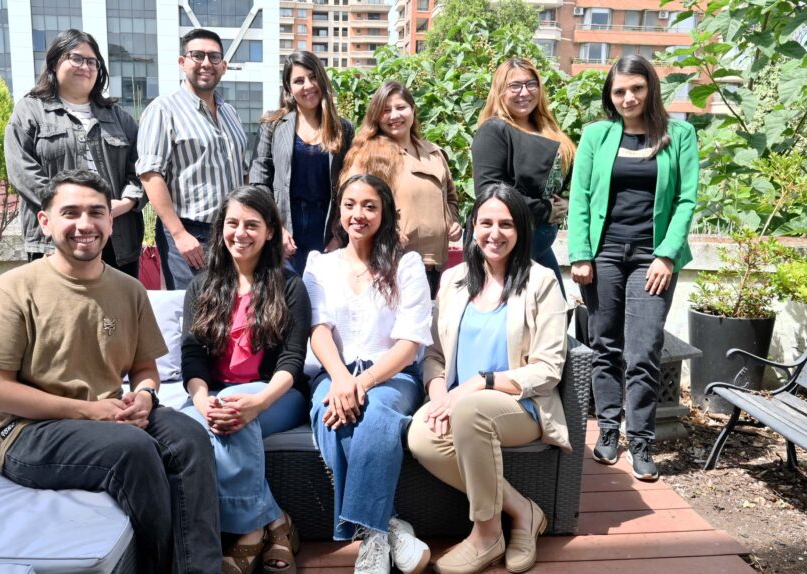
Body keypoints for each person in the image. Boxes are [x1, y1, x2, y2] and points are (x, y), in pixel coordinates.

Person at [0, 169, 221, 574]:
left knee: (189, 436)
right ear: (45, 223)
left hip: (109, 417)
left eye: (96, 212)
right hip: (26, 433)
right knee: (132, 450)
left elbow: (143, 368)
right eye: (71, 213)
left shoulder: (128, 289)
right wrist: (90, 412)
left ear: (111, 222)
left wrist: (146, 396)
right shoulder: (15, 288)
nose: (85, 224)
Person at [407, 184, 570, 574]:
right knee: (420, 436)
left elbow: (548, 369)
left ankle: (486, 532)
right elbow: (433, 354)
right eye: (486, 223)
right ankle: (523, 510)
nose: (494, 233)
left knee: (472, 411)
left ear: (521, 231)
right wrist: (437, 395)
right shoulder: (454, 280)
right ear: (472, 227)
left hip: (521, 406)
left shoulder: (542, 281)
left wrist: (478, 384)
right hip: (460, 402)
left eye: (506, 224)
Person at [567, 55, 698, 481]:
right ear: (611, 93)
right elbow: (581, 197)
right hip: (603, 256)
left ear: (650, 89)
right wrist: (581, 254)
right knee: (606, 346)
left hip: (652, 257)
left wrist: (667, 253)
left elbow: (686, 200)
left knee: (643, 351)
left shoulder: (679, 134)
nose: (628, 97)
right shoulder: (596, 136)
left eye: (636, 89)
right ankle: (607, 429)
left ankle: (640, 439)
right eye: (620, 90)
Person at [303, 174, 433, 574]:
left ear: (385, 213)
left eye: (369, 206)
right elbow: (318, 329)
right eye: (350, 205)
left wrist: (362, 383)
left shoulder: (406, 264)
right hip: (333, 371)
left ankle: (369, 531)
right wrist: (342, 379)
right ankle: (385, 529)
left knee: (375, 415)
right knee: (333, 415)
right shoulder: (319, 264)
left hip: (392, 375)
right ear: (339, 211)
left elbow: (409, 342)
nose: (358, 214)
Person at [180, 186, 312, 574]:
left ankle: (249, 534)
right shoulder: (200, 286)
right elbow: (192, 358)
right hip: (212, 395)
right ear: (221, 228)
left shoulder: (290, 287)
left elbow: (292, 360)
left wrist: (259, 401)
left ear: (270, 231)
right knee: (184, 429)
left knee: (237, 410)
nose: (241, 233)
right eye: (233, 223)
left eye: (252, 225)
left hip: (276, 396)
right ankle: (274, 522)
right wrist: (202, 402)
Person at [5, 29, 144, 276]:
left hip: (117, 236)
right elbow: (22, 172)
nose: (85, 67)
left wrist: (124, 203)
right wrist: (70, 208)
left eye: (92, 61)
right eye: (76, 58)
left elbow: (141, 170)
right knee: (59, 310)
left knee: (116, 310)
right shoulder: (31, 111)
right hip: (56, 239)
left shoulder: (119, 117)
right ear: (55, 61)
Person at [137, 28, 246, 290]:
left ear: (224, 66)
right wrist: (178, 234)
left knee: (229, 312)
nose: (206, 63)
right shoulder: (163, 110)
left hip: (230, 234)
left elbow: (242, 173)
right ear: (182, 62)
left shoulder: (230, 112)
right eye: (197, 55)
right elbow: (150, 175)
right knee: (194, 316)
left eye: (214, 57)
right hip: (189, 235)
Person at [342, 81, 461, 295]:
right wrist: (388, 231)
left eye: (400, 108)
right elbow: (351, 205)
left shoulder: (433, 153)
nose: (394, 115)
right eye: (386, 110)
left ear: (413, 110)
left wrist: (451, 222)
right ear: (377, 117)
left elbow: (450, 198)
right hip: (391, 262)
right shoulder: (367, 155)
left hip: (435, 264)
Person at [472, 58, 576, 291]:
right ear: (500, 91)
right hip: (510, 244)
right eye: (515, 86)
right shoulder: (495, 129)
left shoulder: (548, 129)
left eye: (531, 84)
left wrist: (566, 202)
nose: (524, 92)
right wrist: (545, 209)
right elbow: (490, 193)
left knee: (555, 313)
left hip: (540, 241)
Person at [248, 51, 355, 274]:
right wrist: (275, 228)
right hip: (285, 229)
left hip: (326, 233)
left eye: (313, 77)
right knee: (287, 300)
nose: (308, 85)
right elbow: (259, 180)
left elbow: (351, 184)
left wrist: (340, 236)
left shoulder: (342, 129)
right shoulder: (273, 125)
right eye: (298, 80)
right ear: (288, 88)